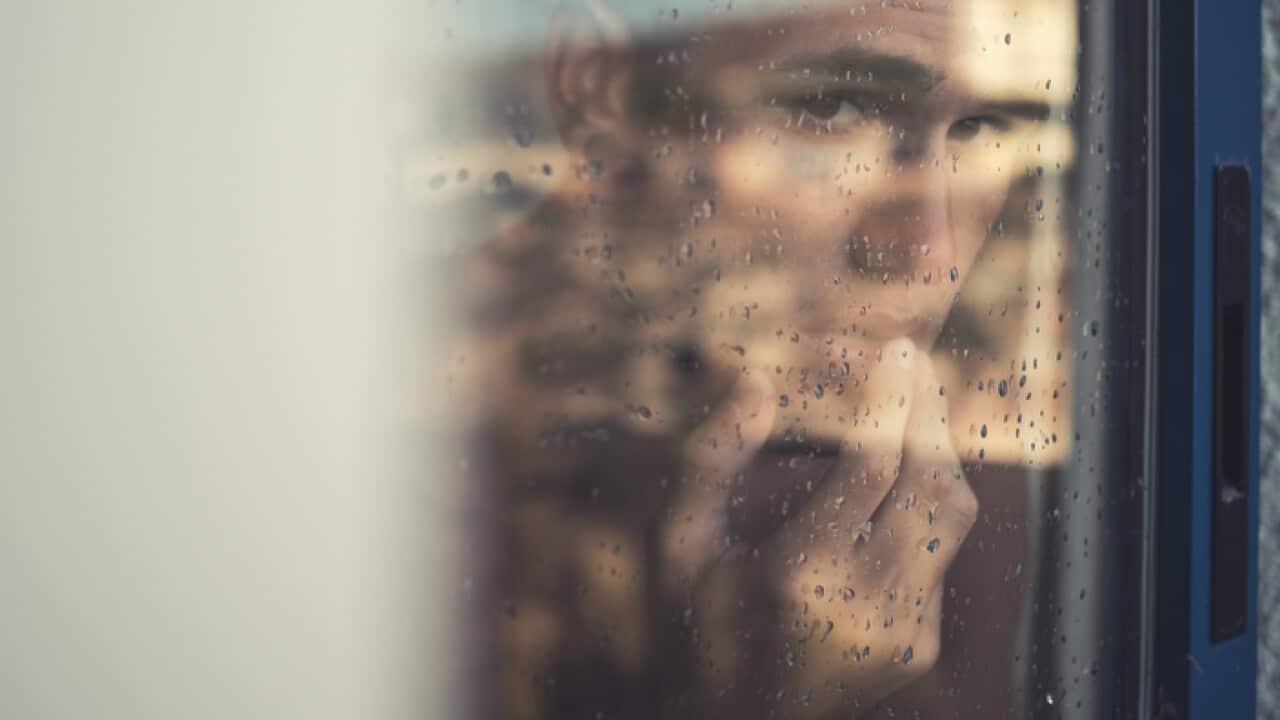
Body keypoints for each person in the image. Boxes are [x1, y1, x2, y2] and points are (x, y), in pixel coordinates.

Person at [449, 1, 1067, 717]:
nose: (930, 254)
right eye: (834, 110)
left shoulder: (986, 502)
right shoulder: (394, 484)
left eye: (979, 126)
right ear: (598, 87)